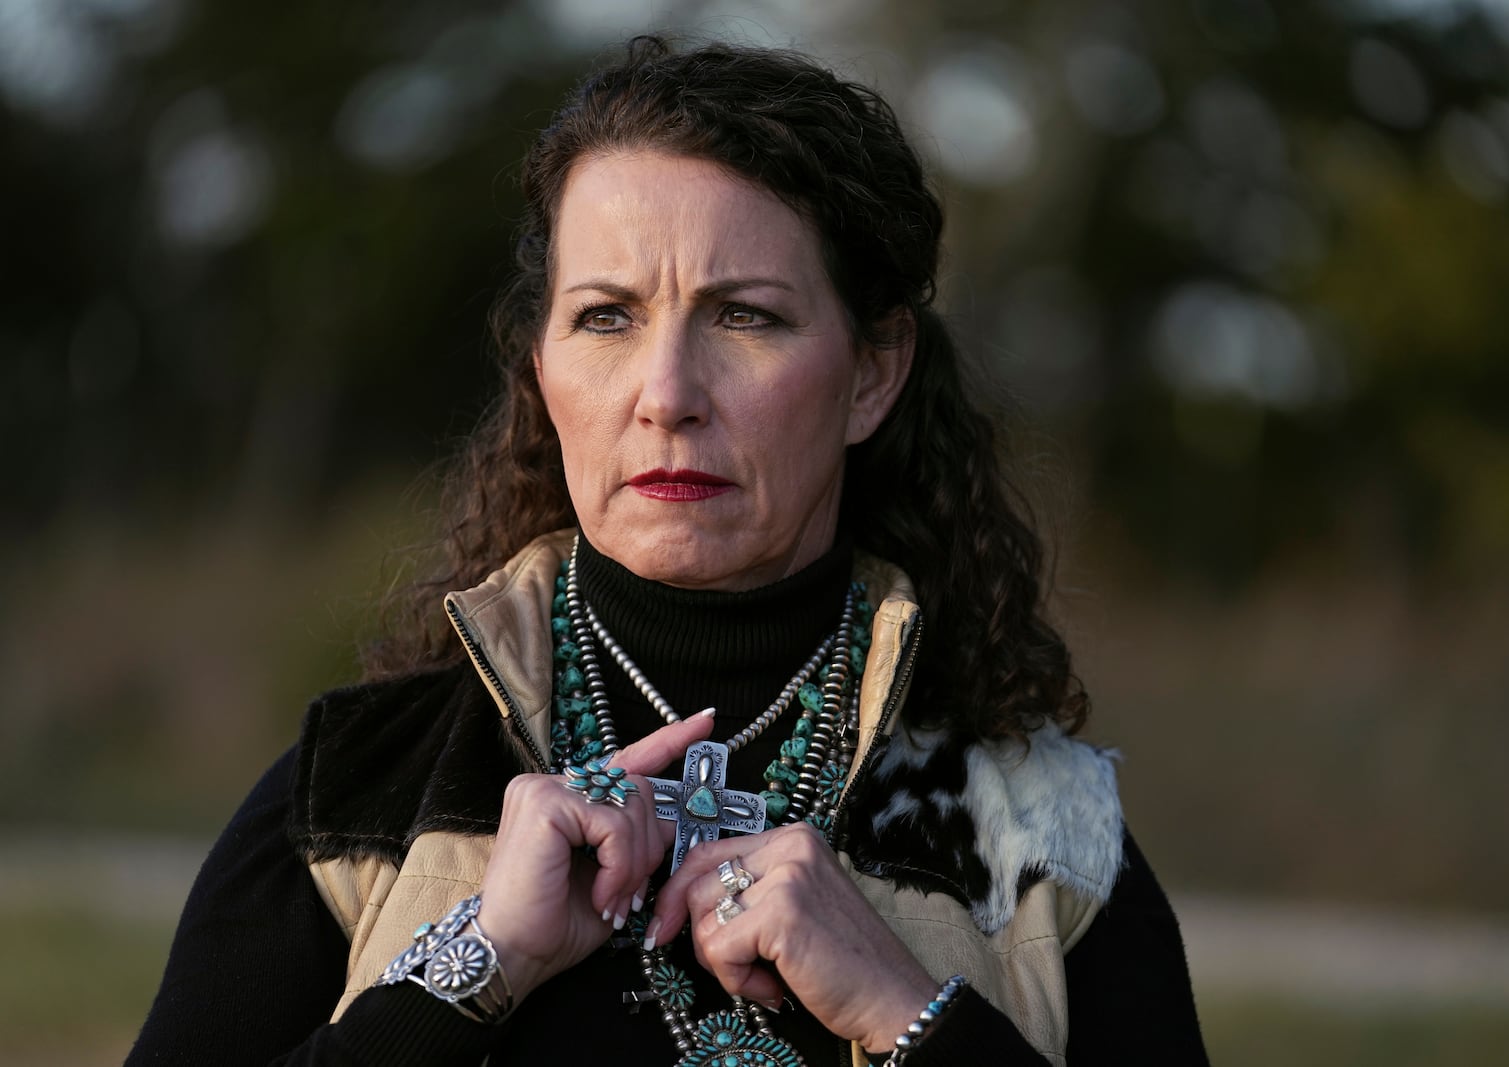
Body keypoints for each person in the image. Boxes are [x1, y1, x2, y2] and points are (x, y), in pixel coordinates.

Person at [130, 37, 1207, 1066]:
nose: (667, 396)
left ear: (873, 372)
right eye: (606, 317)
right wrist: (471, 969)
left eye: (744, 316)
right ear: (542, 366)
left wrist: (905, 1010)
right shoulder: (360, 787)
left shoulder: (1036, 831)